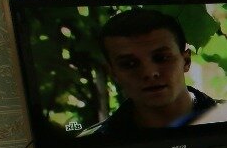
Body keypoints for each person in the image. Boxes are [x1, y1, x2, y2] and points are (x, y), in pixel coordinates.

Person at [81, 8, 218, 137]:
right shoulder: (93, 143)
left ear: (186, 61)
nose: (149, 73)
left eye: (162, 58)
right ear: (113, 73)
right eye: (129, 64)